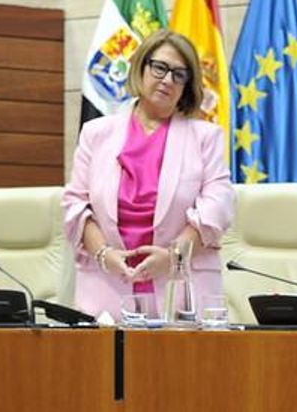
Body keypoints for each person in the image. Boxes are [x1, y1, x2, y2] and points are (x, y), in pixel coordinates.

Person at [63, 30, 234, 320]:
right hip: (107, 286)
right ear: (141, 67)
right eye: (160, 67)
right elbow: (76, 206)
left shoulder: (205, 137)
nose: (168, 80)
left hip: (181, 287)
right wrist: (104, 255)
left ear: (186, 86)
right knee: (106, 365)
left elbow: (217, 206)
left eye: (179, 75)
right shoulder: (96, 133)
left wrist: (173, 258)